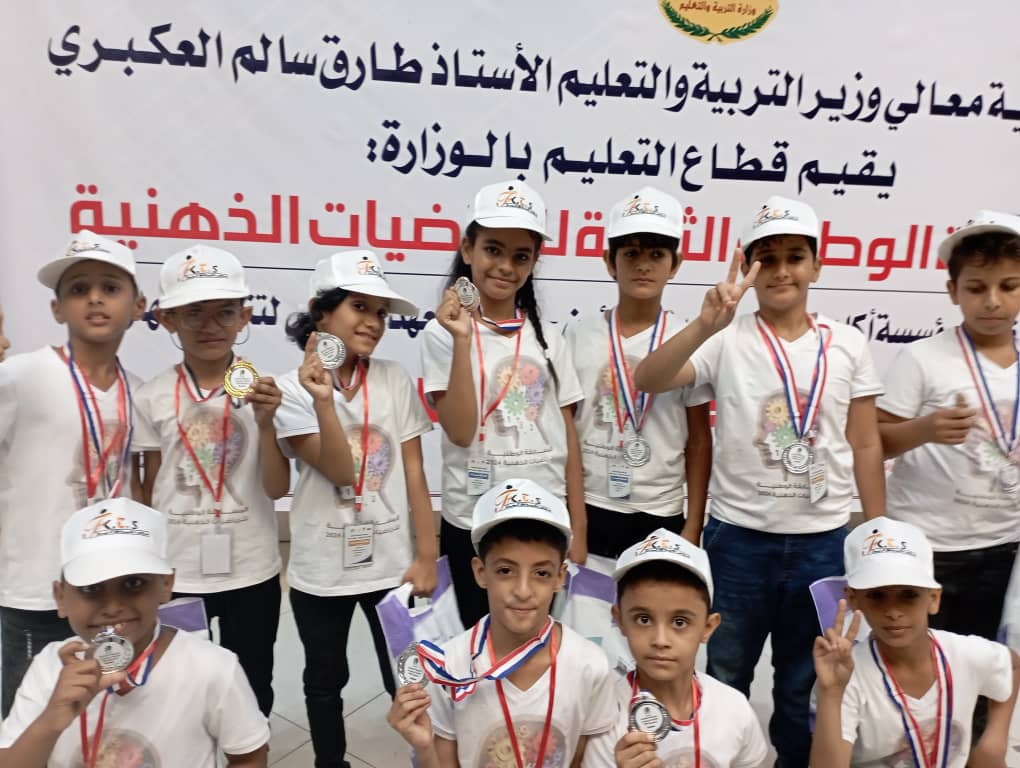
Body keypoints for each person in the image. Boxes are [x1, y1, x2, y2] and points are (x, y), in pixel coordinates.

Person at [634, 196, 886, 767]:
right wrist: (707, 322)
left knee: (803, 681)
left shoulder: (847, 343)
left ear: (816, 265)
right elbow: (649, 378)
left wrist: (875, 531)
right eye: (765, 259)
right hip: (739, 541)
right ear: (747, 267)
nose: (780, 271)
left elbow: (866, 442)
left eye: (794, 257)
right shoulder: (726, 338)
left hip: (824, 541)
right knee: (726, 674)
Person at [275, 249, 437, 768]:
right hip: (321, 568)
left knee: (406, 677)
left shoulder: (393, 378)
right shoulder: (289, 391)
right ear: (321, 313)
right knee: (325, 680)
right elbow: (340, 471)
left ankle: (426, 759)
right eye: (359, 307)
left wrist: (426, 555)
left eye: (381, 313)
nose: (373, 322)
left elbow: (415, 471)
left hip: (392, 566)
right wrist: (323, 399)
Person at [132, 244, 287, 716]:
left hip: (251, 568)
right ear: (167, 319)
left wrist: (266, 423)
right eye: (193, 312)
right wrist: (147, 565)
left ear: (245, 317)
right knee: (178, 688)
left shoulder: (265, 390)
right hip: (178, 571)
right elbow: (148, 489)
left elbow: (278, 489)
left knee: (253, 683)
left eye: (225, 312)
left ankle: (250, 747)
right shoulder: (153, 396)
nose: (210, 325)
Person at [421, 180, 585, 626]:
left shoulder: (548, 337)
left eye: (521, 256)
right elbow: (459, 431)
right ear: (467, 249)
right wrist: (462, 340)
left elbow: (568, 433)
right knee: (477, 638)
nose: (506, 266)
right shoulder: (441, 335)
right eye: (493, 250)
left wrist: (579, 526)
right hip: (474, 518)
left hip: (543, 514)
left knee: (535, 636)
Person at [0, 497, 270, 767]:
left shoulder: (213, 668)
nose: (113, 607)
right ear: (60, 597)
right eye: (91, 588)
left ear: (166, 585)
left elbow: (250, 756)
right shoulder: (48, 669)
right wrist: (49, 722)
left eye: (134, 583)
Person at [0, 231, 146, 715]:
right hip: (37, 587)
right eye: (79, 289)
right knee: (31, 720)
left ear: (138, 306)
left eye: (110, 287)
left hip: (112, 588)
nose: (95, 298)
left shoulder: (138, 391)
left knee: (108, 717)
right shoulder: (19, 377)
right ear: (57, 309)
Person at [388, 478, 616, 768]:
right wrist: (424, 749)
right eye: (506, 570)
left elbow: (580, 757)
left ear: (560, 577)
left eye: (541, 573)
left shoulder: (590, 665)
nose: (523, 591)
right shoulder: (450, 668)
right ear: (481, 572)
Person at [877, 211, 1020, 644]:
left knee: (985, 663)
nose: (992, 301)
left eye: (1008, 286)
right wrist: (925, 430)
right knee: (918, 662)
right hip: (926, 544)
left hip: (1005, 546)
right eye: (976, 288)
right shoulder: (922, 357)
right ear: (952, 291)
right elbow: (874, 442)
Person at [567, 187, 711, 564]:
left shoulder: (689, 339)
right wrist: (574, 520)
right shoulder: (579, 334)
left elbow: (699, 439)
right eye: (630, 253)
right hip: (590, 504)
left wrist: (693, 526)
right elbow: (566, 428)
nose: (643, 265)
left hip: (660, 511)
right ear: (609, 261)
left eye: (656, 254)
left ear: (675, 264)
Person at [810, 516, 1020, 767]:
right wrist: (831, 693)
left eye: (908, 595)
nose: (893, 611)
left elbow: (1012, 664)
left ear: (933, 599)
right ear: (854, 599)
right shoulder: (846, 677)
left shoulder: (963, 653)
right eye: (877, 595)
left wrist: (995, 740)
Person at [583, 527, 769, 767]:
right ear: (619, 620)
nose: (660, 640)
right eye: (643, 619)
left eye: (679, 622)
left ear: (708, 627)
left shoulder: (734, 709)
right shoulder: (605, 717)